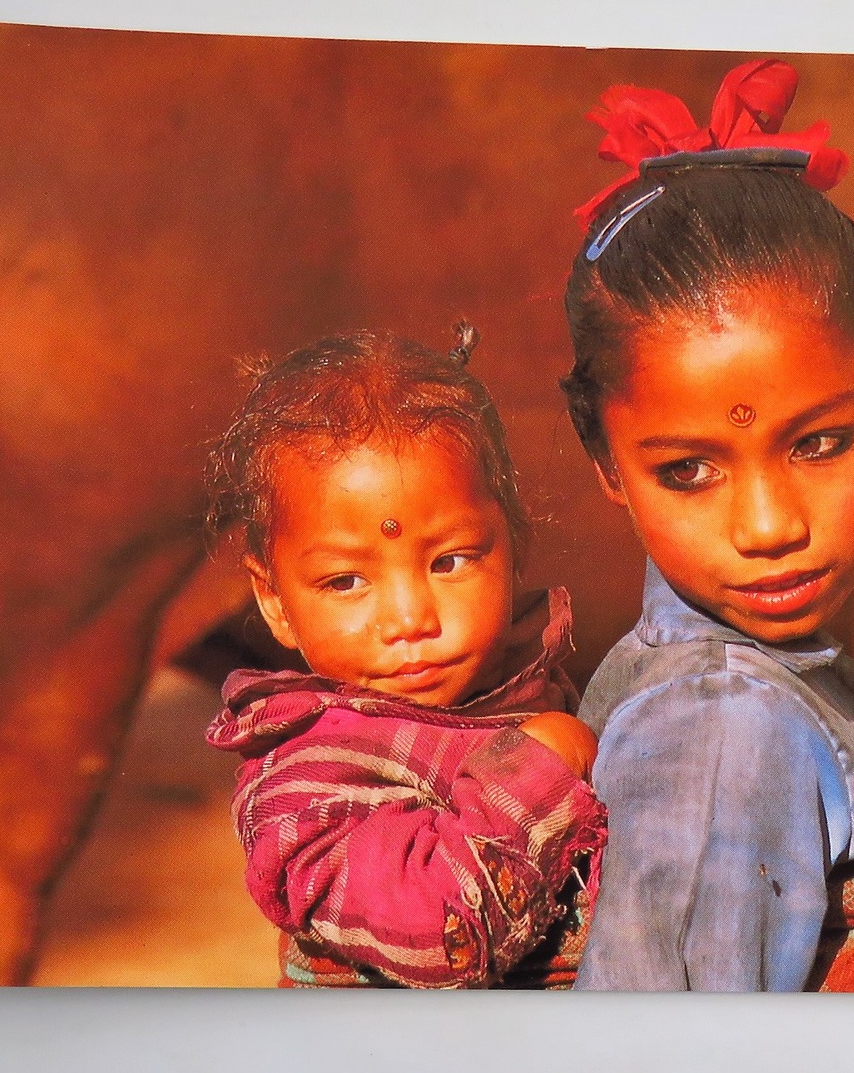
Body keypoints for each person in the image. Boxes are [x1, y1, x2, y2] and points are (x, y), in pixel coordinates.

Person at [562, 58, 854, 991]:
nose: (766, 527)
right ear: (605, 461)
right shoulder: (728, 727)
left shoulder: (783, 678)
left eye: (818, 444)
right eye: (686, 471)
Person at [204, 327, 605, 989]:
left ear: (514, 546)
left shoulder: (524, 691)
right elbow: (438, 936)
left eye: (449, 562)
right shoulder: (307, 783)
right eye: (346, 582)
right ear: (273, 599)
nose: (410, 619)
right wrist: (541, 770)